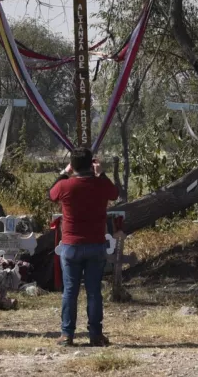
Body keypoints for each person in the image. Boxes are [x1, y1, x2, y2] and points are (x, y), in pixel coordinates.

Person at [49, 148, 119, 347]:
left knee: (70, 291)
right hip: (96, 244)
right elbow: (114, 193)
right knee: (94, 291)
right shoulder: (101, 185)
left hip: (71, 246)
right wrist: (102, 173)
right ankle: (95, 334)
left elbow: (51, 194)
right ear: (91, 164)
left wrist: (65, 171)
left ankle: (67, 334)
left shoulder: (65, 185)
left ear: (73, 165)